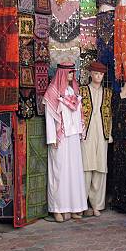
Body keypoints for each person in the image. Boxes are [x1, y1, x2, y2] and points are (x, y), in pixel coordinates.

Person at [44, 62, 88, 223]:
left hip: (73, 138)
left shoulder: (73, 91)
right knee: (59, 174)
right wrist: (52, 139)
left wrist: (80, 133)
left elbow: (78, 114)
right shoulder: (52, 93)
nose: (72, 76)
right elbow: (50, 119)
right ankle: (57, 209)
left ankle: (75, 207)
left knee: (74, 173)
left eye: (73, 73)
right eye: (70, 73)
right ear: (62, 74)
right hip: (60, 139)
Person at [79, 62, 113, 217]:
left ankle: (97, 205)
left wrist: (109, 133)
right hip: (86, 133)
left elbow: (110, 115)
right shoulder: (82, 91)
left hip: (102, 132)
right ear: (91, 74)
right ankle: (82, 203)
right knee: (86, 167)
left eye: (101, 74)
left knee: (100, 168)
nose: (99, 76)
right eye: (96, 73)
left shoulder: (108, 93)